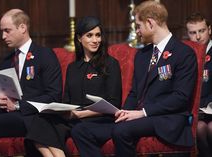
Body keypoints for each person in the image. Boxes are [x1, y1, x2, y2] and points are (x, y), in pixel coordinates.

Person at [25, 16, 122, 157]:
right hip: (74, 118)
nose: (95, 40)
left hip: (100, 120)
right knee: (40, 120)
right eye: (89, 36)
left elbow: (114, 103)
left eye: (98, 35)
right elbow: (67, 101)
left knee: (79, 129)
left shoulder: (111, 64)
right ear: (79, 38)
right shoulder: (73, 67)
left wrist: (80, 114)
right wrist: (58, 110)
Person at [111, 1, 197, 157]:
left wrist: (143, 112)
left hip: (168, 119)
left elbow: (180, 98)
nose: (137, 31)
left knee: (121, 131)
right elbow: (135, 92)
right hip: (144, 117)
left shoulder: (184, 53)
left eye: (138, 26)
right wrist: (124, 112)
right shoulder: (142, 55)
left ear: (150, 23)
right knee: (108, 126)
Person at [0, 9, 62, 154]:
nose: (3, 36)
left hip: (31, 116)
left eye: (7, 31)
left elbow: (54, 96)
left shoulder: (45, 55)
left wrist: (16, 105)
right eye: (2, 31)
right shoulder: (7, 61)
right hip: (7, 113)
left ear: (22, 27)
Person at [186, 12, 212, 157]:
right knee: (200, 128)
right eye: (192, 33)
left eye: (201, 31)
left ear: (209, 29)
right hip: (197, 111)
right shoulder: (186, 54)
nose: (198, 36)